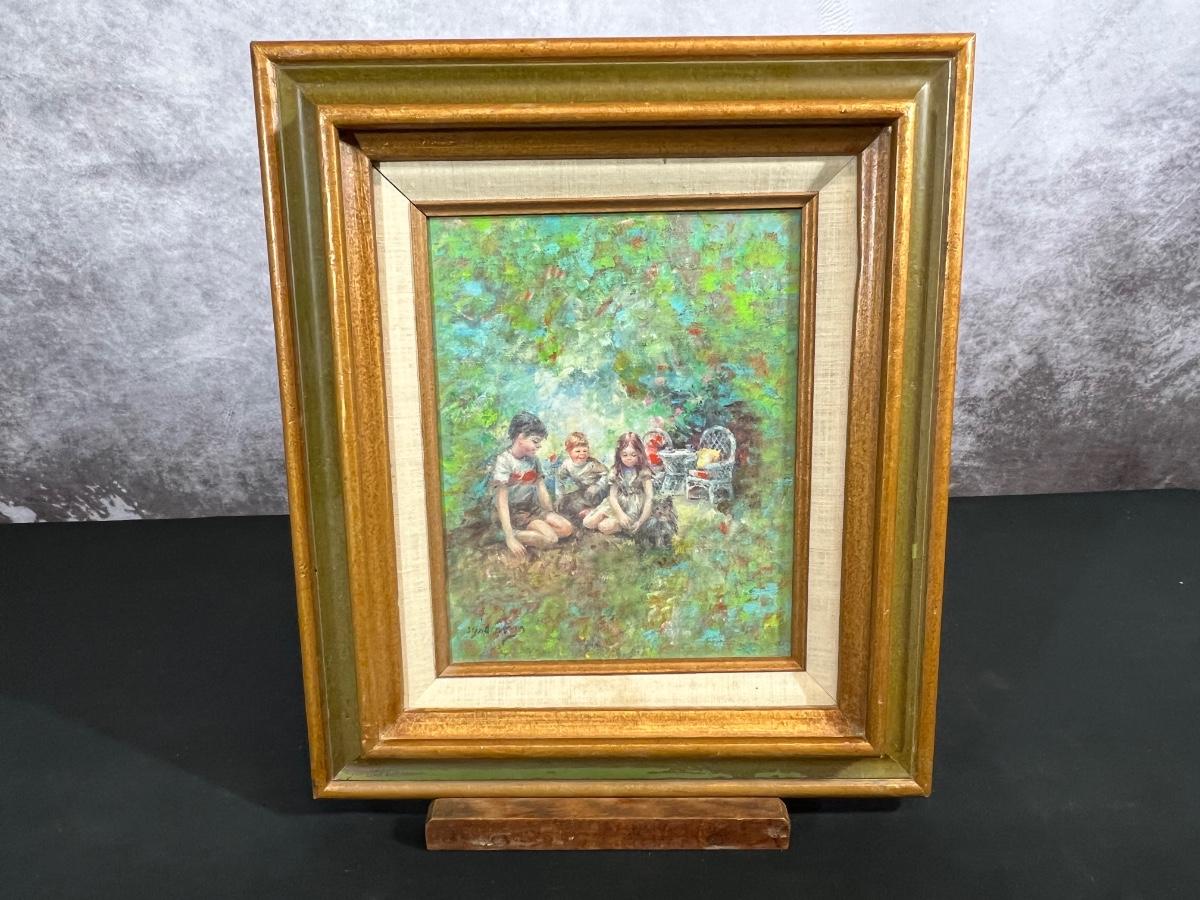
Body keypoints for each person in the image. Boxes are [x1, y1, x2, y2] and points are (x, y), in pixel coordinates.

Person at [491, 412, 574, 558]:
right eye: (535, 441)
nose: (539, 445)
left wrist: (549, 512)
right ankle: (509, 534)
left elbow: (541, 488)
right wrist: (510, 537)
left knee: (567, 528)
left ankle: (532, 532)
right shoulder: (504, 460)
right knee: (551, 539)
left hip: (532, 508)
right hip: (513, 513)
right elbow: (501, 501)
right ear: (520, 437)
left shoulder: (533, 460)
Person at [554, 432, 610, 523]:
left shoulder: (591, 464)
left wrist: (598, 486)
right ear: (569, 451)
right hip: (584, 491)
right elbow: (559, 478)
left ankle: (593, 512)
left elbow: (606, 474)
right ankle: (581, 515)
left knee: (586, 501)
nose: (582, 454)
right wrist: (560, 496)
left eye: (585, 451)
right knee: (565, 502)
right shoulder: (567, 464)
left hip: (599, 492)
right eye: (578, 451)